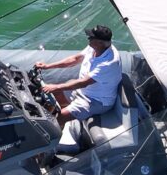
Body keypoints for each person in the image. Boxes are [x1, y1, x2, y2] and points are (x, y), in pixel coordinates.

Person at [30, 24, 128, 153]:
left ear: (99, 42)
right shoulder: (94, 47)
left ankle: (49, 149)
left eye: (90, 38)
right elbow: (75, 59)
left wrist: (56, 86)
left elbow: (84, 82)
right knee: (57, 92)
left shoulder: (109, 62)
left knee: (59, 116)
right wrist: (48, 66)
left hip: (96, 101)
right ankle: (69, 117)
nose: (88, 39)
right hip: (84, 92)